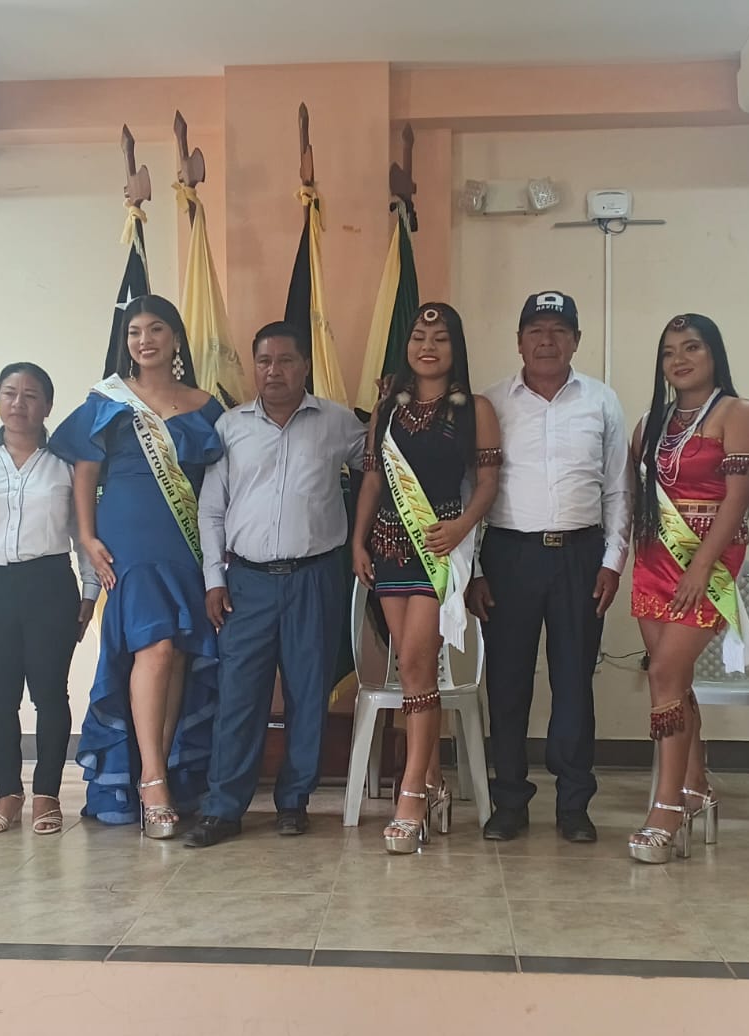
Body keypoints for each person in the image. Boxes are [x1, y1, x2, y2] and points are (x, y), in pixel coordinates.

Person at [183, 322, 367, 848]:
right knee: (240, 697)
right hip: (247, 583)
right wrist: (214, 579)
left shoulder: (337, 422)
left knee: (309, 693)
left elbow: (380, 469)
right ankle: (224, 808)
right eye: (264, 361)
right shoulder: (230, 427)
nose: (274, 371)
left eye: (285, 361)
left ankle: (294, 801)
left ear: (305, 365)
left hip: (315, 578)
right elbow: (211, 510)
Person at [52, 294, 225, 835]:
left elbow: (220, 481)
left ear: (176, 339)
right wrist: (87, 537)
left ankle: (163, 767)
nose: (144, 341)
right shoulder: (109, 398)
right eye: (134, 332)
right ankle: (151, 780)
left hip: (187, 542)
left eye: (155, 330)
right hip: (128, 539)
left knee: (177, 654)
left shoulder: (206, 405)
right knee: (155, 647)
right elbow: (85, 471)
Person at [467, 291, 628, 844]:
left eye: (559, 330)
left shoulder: (601, 401)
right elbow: (470, 491)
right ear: (518, 341)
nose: (546, 341)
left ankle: (574, 804)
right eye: (535, 330)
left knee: (574, 683)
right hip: (508, 558)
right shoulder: (490, 403)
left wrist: (612, 561)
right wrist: (474, 570)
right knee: (508, 684)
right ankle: (509, 801)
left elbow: (618, 489)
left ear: (576, 341)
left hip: (581, 557)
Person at [352, 302, 502, 855]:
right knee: (410, 668)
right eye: (418, 337)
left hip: (439, 547)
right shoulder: (387, 408)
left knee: (417, 665)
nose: (428, 347)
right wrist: (357, 539)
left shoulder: (475, 409)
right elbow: (373, 480)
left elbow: (487, 483)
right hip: (389, 549)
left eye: (440, 339)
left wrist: (462, 527)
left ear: (456, 348)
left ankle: (412, 794)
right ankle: (432, 778)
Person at [0, 362, 99, 836]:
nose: (18, 403)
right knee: (0, 698)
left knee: (50, 693)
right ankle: (7, 794)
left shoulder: (67, 461)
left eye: (30, 395)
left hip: (49, 584)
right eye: (9, 393)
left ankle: (47, 794)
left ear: (48, 405)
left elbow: (83, 531)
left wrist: (90, 590)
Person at [626, 315, 749, 864]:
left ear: (714, 354)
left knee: (663, 672)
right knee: (674, 678)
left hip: (707, 560)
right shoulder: (649, 423)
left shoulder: (738, 413)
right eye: (669, 352)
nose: (679, 360)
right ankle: (696, 787)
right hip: (654, 558)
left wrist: (702, 566)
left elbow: (737, 499)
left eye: (692, 348)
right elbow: (635, 496)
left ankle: (666, 808)